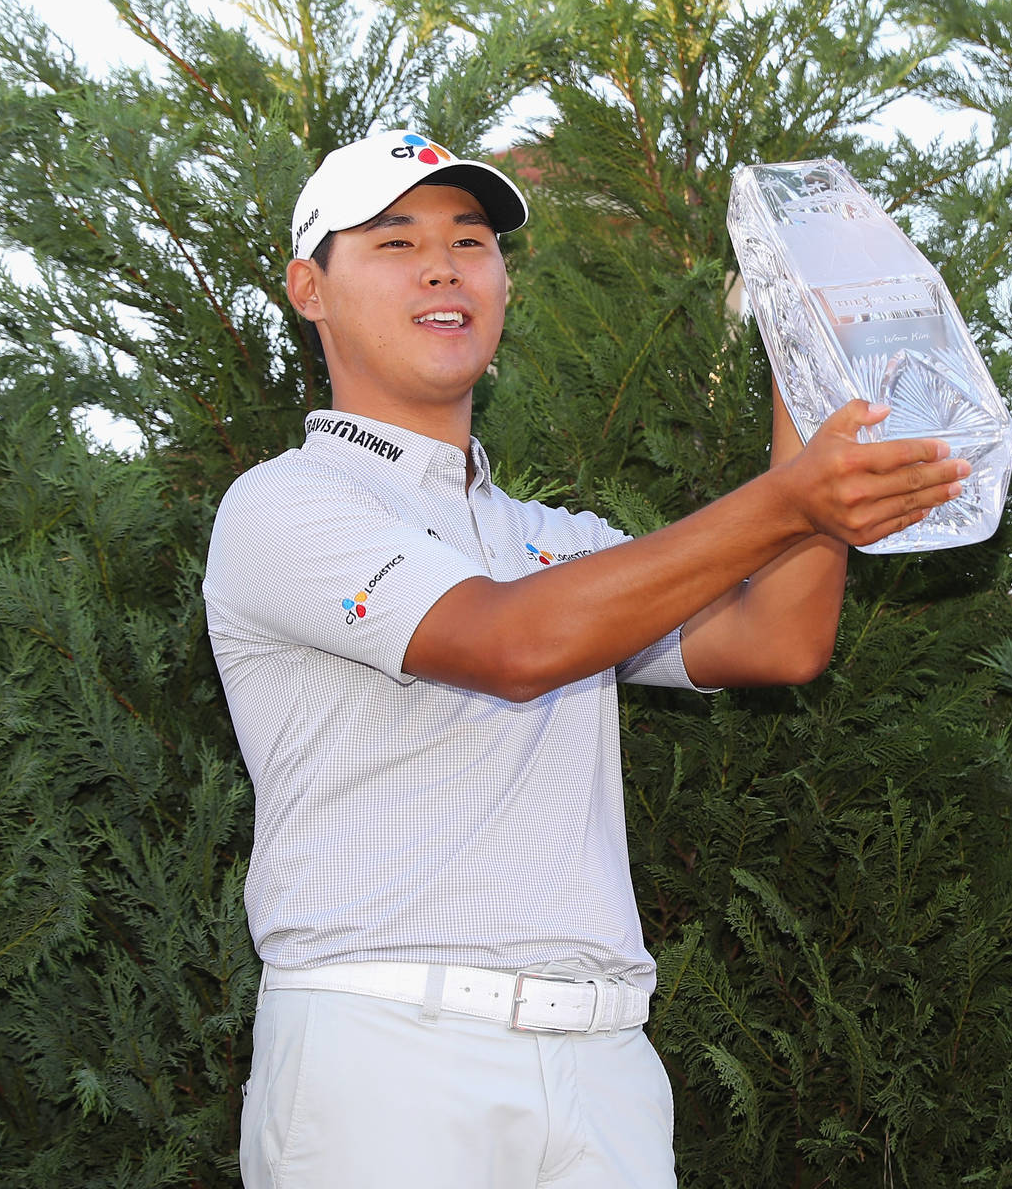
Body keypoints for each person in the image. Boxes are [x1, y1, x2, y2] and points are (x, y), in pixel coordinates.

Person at [203, 130, 970, 1188]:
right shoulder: (283, 505)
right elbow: (513, 642)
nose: (442, 265)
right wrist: (794, 500)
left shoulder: (558, 538)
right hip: (385, 1049)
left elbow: (775, 637)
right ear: (309, 289)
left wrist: (809, 363)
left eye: (470, 240)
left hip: (604, 1063)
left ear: (503, 287)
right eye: (393, 241)